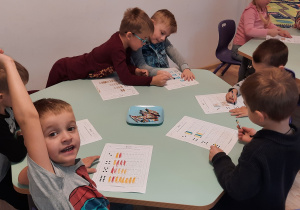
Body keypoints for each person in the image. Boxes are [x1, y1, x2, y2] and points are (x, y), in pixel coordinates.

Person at [0, 53, 110, 209]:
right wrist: (7, 62)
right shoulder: (52, 189)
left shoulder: (51, 175)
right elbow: (28, 119)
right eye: (53, 134)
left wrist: (71, 168)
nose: (66, 137)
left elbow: (24, 177)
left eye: (71, 128)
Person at [209, 69, 300, 210]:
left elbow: (236, 188)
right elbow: (276, 154)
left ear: (260, 116)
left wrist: (219, 158)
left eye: (246, 105)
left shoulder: (256, 151)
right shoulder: (295, 136)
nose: (245, 107)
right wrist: (258, 137)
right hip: (275, 203)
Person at [46, 7, 170, 88]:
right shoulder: (116, 47)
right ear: (129, 35)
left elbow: (123, 66)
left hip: (76, 75)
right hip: (63, 70)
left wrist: (135, 70)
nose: (144, 43)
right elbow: (125, 79)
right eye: (143, 40)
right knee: (44, 103)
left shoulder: (124, 44)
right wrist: (152, 81)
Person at [226, 39, 289, 118]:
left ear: (279, 69)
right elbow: (247, 81)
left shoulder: (282, 88)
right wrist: (234, 90)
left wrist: (251, 112)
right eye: (255, 69)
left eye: (260, 72)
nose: (256, 74)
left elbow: (275, 112)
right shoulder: (264, 73)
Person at [231, 0, 291, 81]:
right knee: (256, 62)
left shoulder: (263, 8)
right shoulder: (250, 11)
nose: (269, 0)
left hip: (251, 47)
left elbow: (268, 24)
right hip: (238, 49)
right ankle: (244, 84)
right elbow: (249, 31)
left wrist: (280, 31)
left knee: (260, 61)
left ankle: (255, 83)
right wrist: (268, 32)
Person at [131, 9, 195, 81]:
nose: (163, 38)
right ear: (151, 24)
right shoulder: (138, 41)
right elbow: (141, 65)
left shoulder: (162, 41)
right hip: (149, 80)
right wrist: (158, 72)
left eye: (166, 36)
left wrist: (185, 68)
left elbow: (175, 54)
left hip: (166, 78)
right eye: (162, 33)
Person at [0, 54, 29, 210]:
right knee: (18, 199)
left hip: (8, 162)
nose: (22, 93)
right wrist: (22, 136)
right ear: (1, 97)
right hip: (3, 175)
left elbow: (17, 118)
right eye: (18, 90)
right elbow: (17, 153)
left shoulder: (7, 107)